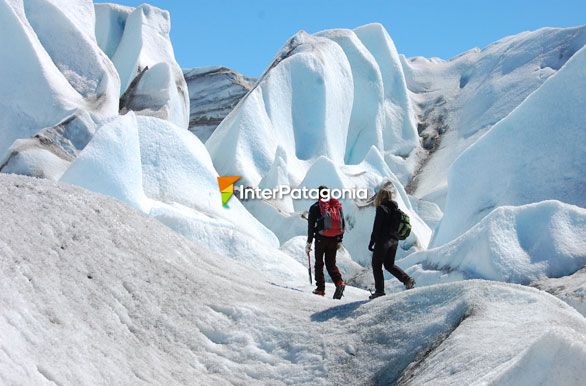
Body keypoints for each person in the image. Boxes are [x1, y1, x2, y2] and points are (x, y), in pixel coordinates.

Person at [368, 187, 415, 299]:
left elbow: (377, 227)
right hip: (394, 241)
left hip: (383, 240)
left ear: (380, 197)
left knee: (376, 265)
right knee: (389, 265)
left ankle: (379, 291)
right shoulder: (396, 210)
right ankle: (407, 280)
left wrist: (372, 242)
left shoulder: (381, 208)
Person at [306, 186, 346, 299]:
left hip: (320, 239)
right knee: (331, 264)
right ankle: (339, 282)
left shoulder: (315, 207)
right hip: (334, 239)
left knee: (319, 263)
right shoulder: (336, 206)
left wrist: (309, 242)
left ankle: (320, 289)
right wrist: (339, 239)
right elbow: (342, 223)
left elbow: (310, 227)